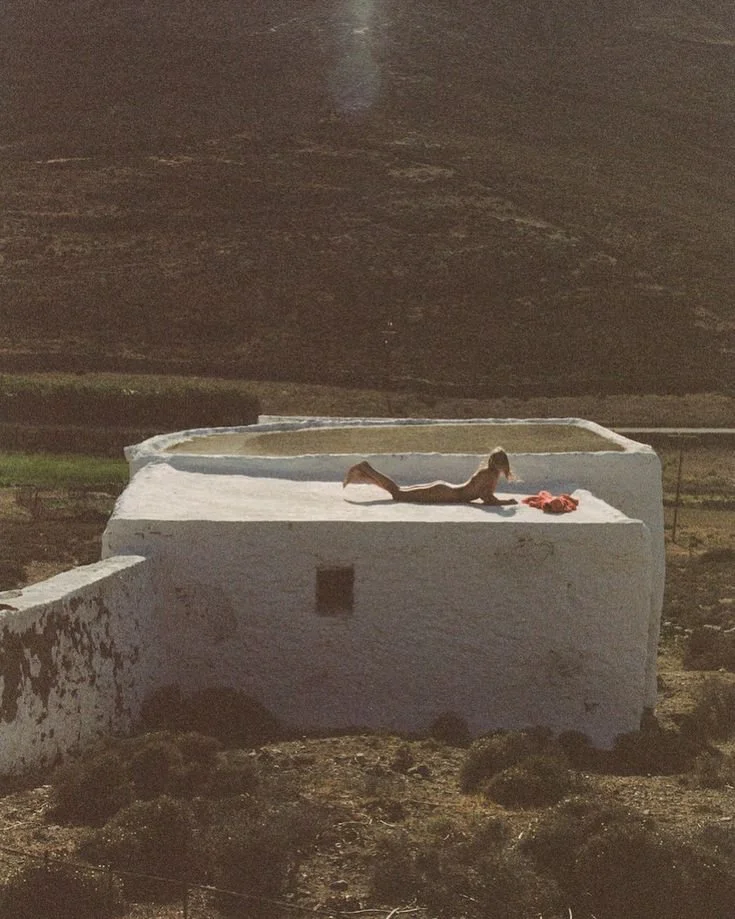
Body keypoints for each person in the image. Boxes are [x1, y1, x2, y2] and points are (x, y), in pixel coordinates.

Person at [343, 447, 518, 505]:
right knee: (398, 494)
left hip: (444, 489)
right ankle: (366, 469)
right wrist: (506, 502)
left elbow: (484, 496)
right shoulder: (489, 475)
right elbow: (486, 497)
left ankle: (366, 473)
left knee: (398, 492)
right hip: (444, 493)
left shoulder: (488, 473)